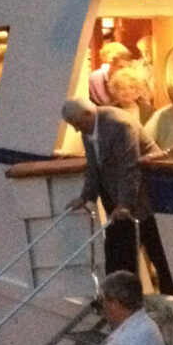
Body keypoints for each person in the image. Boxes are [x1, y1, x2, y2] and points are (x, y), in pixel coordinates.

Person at [62, 97, 143, 276]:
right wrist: (85, 197)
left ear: (88, 114)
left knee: (151, 251)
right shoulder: (88, 130)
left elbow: (129, 166)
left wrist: (125, 204)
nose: (76, 129)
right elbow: (93, 167)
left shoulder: (119, 125)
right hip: (115, 198)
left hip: (140, 199)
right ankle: (116, 294)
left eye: (76, 123)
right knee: (116, 251)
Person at [88, 42, 134, 107]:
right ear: (111, 64)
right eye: (121, 67)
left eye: (127, 68)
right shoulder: (94, 79)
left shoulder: (130, 79)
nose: (124, 72)